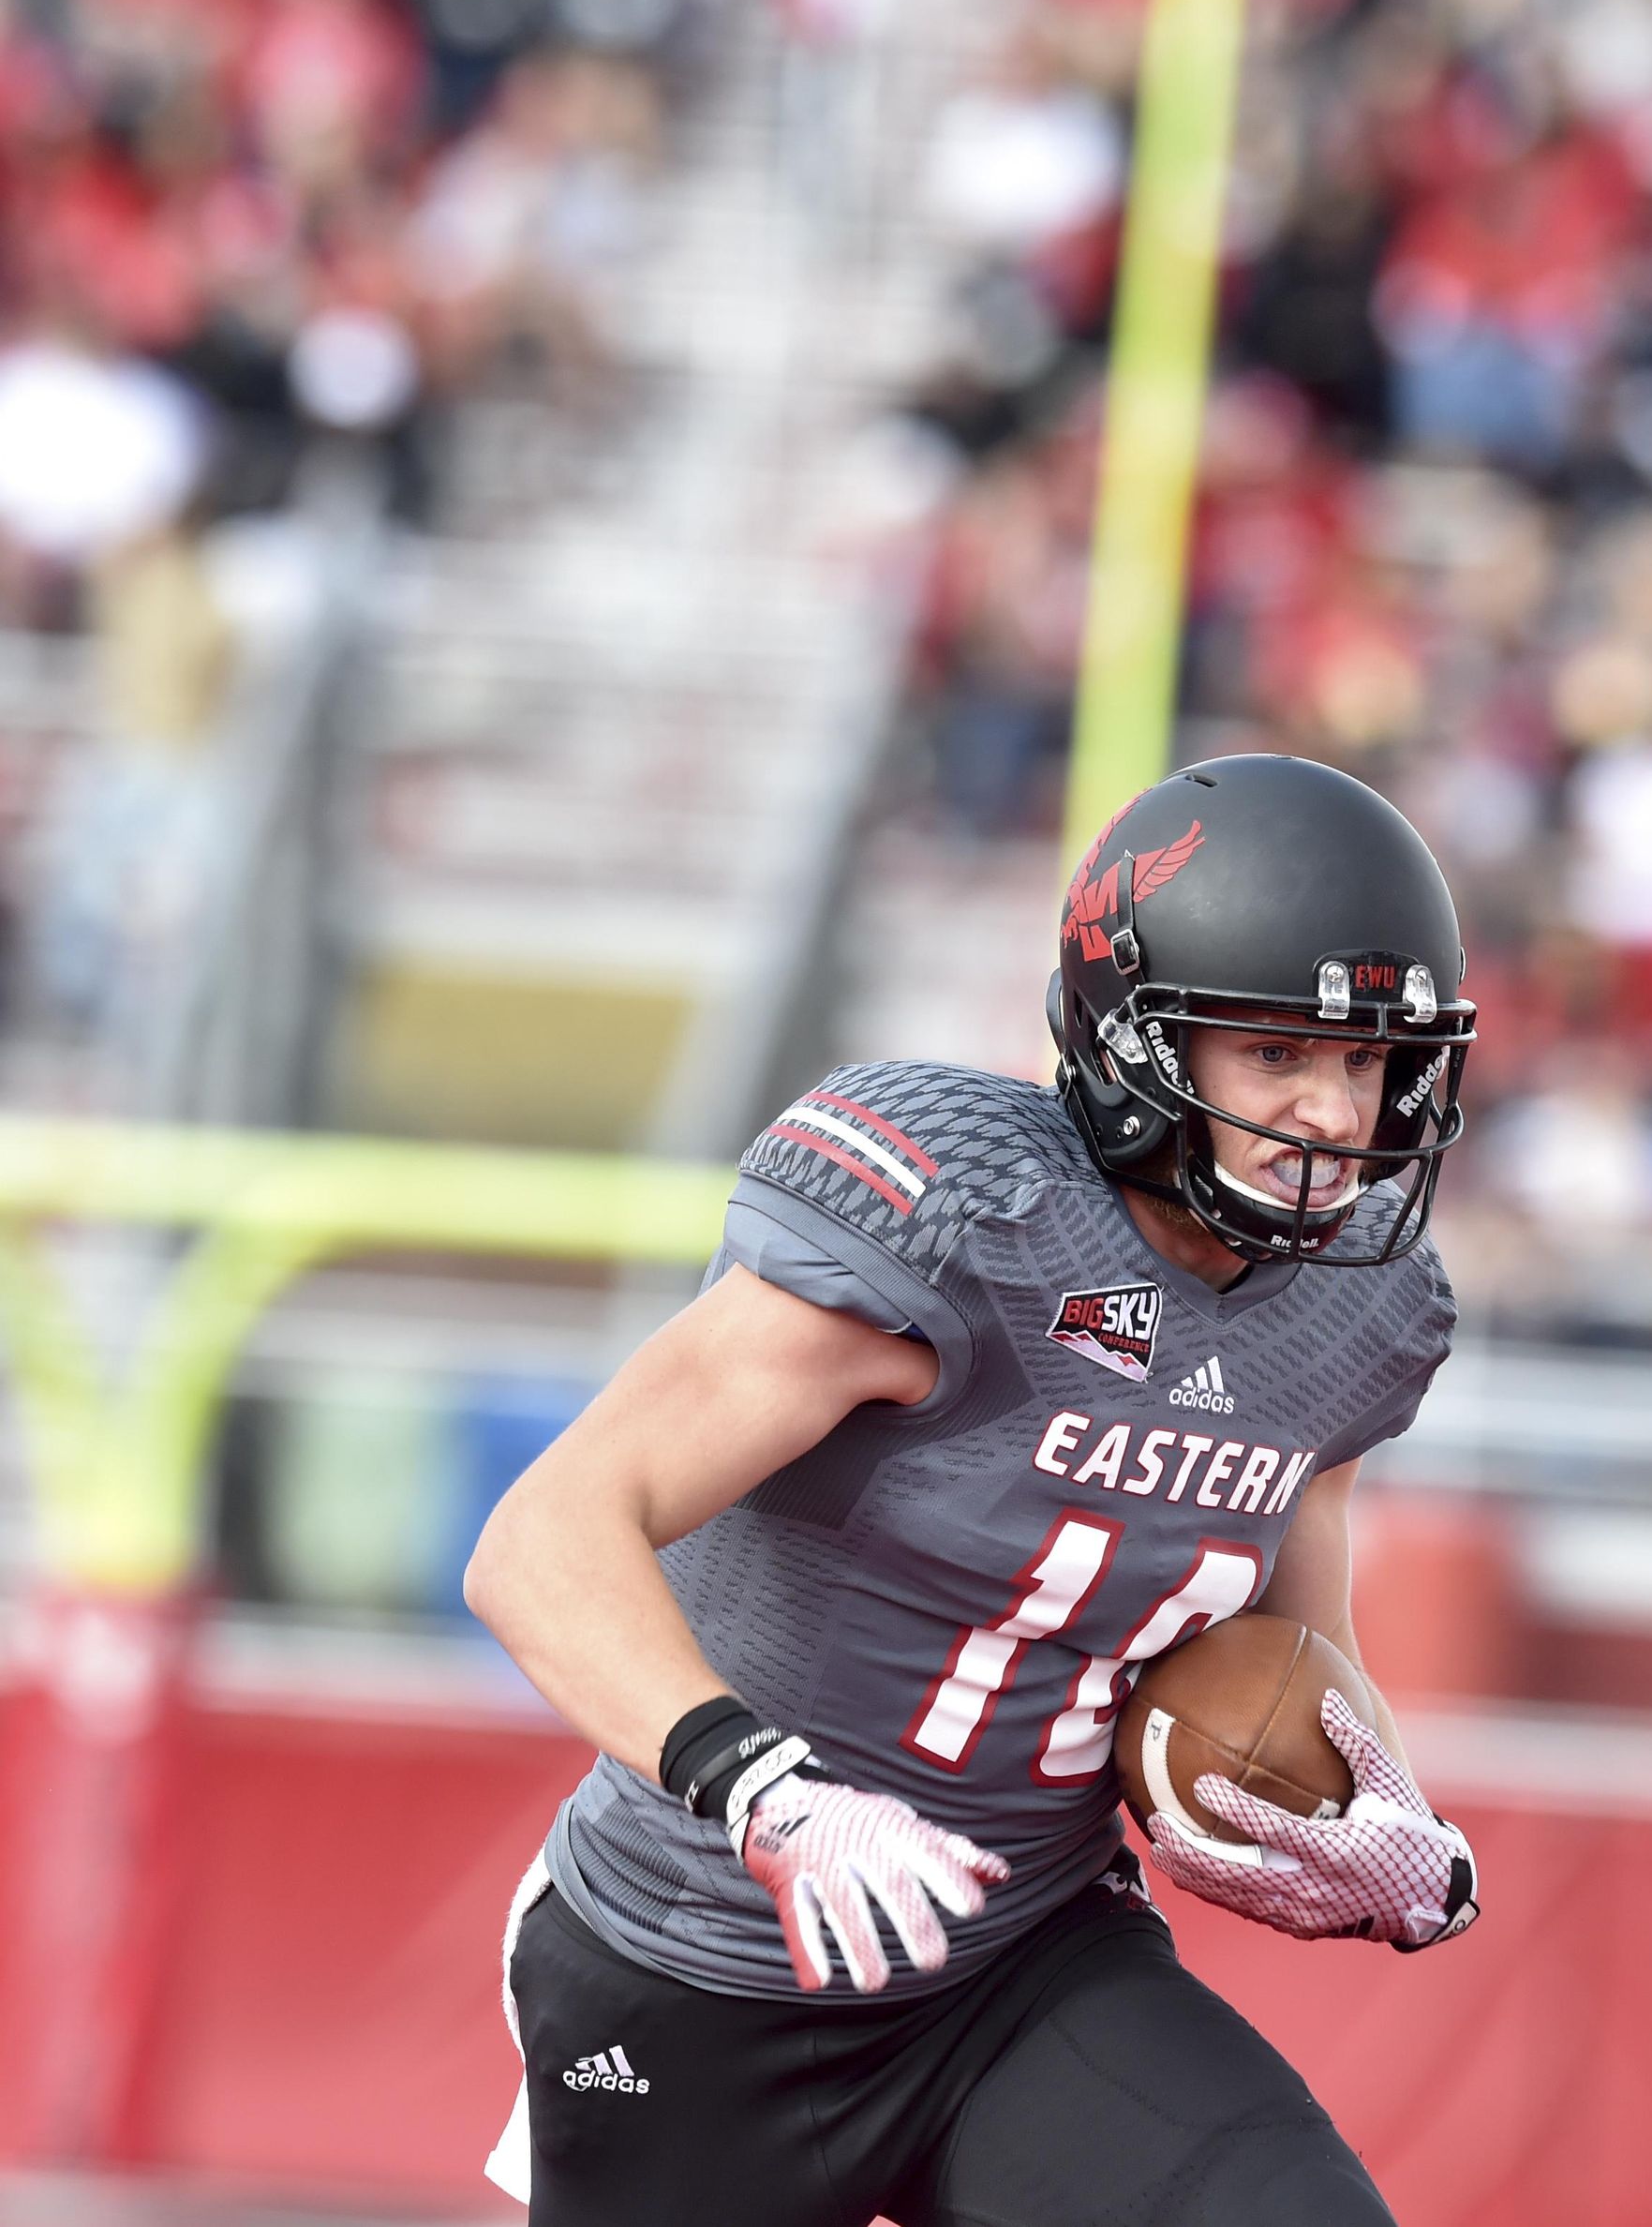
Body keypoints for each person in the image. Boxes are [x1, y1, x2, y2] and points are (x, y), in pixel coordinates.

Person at [466, 753, 1482, 2226]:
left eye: (1369, 1060)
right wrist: (767, 1792)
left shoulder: (1356, 1314)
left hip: (1021, 1960)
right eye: (1277, 1055)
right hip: (706, 1958)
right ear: (1139, 1042)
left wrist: (1377, 1825)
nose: (1335, 1111)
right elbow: (544, 1538)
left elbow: (1290, 1650)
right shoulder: (957, 1216)